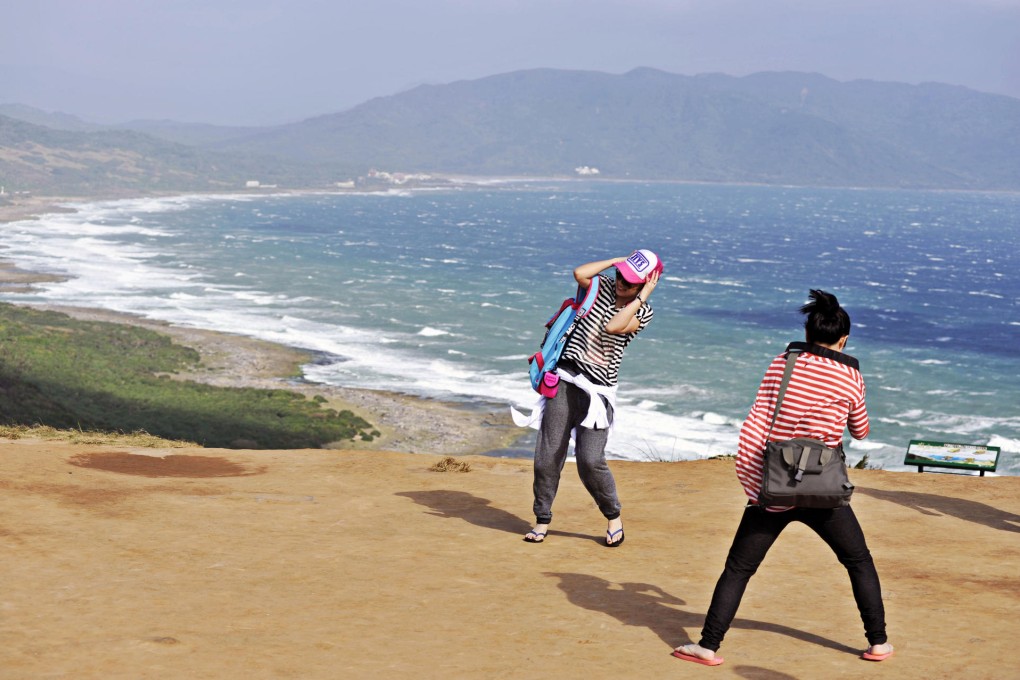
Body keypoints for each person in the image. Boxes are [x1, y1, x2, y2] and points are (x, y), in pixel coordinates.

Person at [673, 290, 893, 666]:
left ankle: (708, 646)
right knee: (858, 561)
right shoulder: (851, 375)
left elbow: (759, 418)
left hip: (774, 486)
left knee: (739, 569)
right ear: (844, 339)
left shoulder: (782, 364)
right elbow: (860, 432)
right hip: (823, 490)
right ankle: (878, 643)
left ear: (807, 334)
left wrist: (753, 481)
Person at [522, 250, 661, 547]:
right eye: (621, 276)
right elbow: (579, 273)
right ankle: (542, 519)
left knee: (590, 460)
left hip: (598, 393)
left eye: (631, 281)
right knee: (548, 456)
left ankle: (613, 516)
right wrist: (618, 261)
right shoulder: (600, 286)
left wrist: (643, 295)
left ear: (644, 285)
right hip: (564, 380)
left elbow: (614, 327)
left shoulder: (642, 312)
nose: (622, 283)